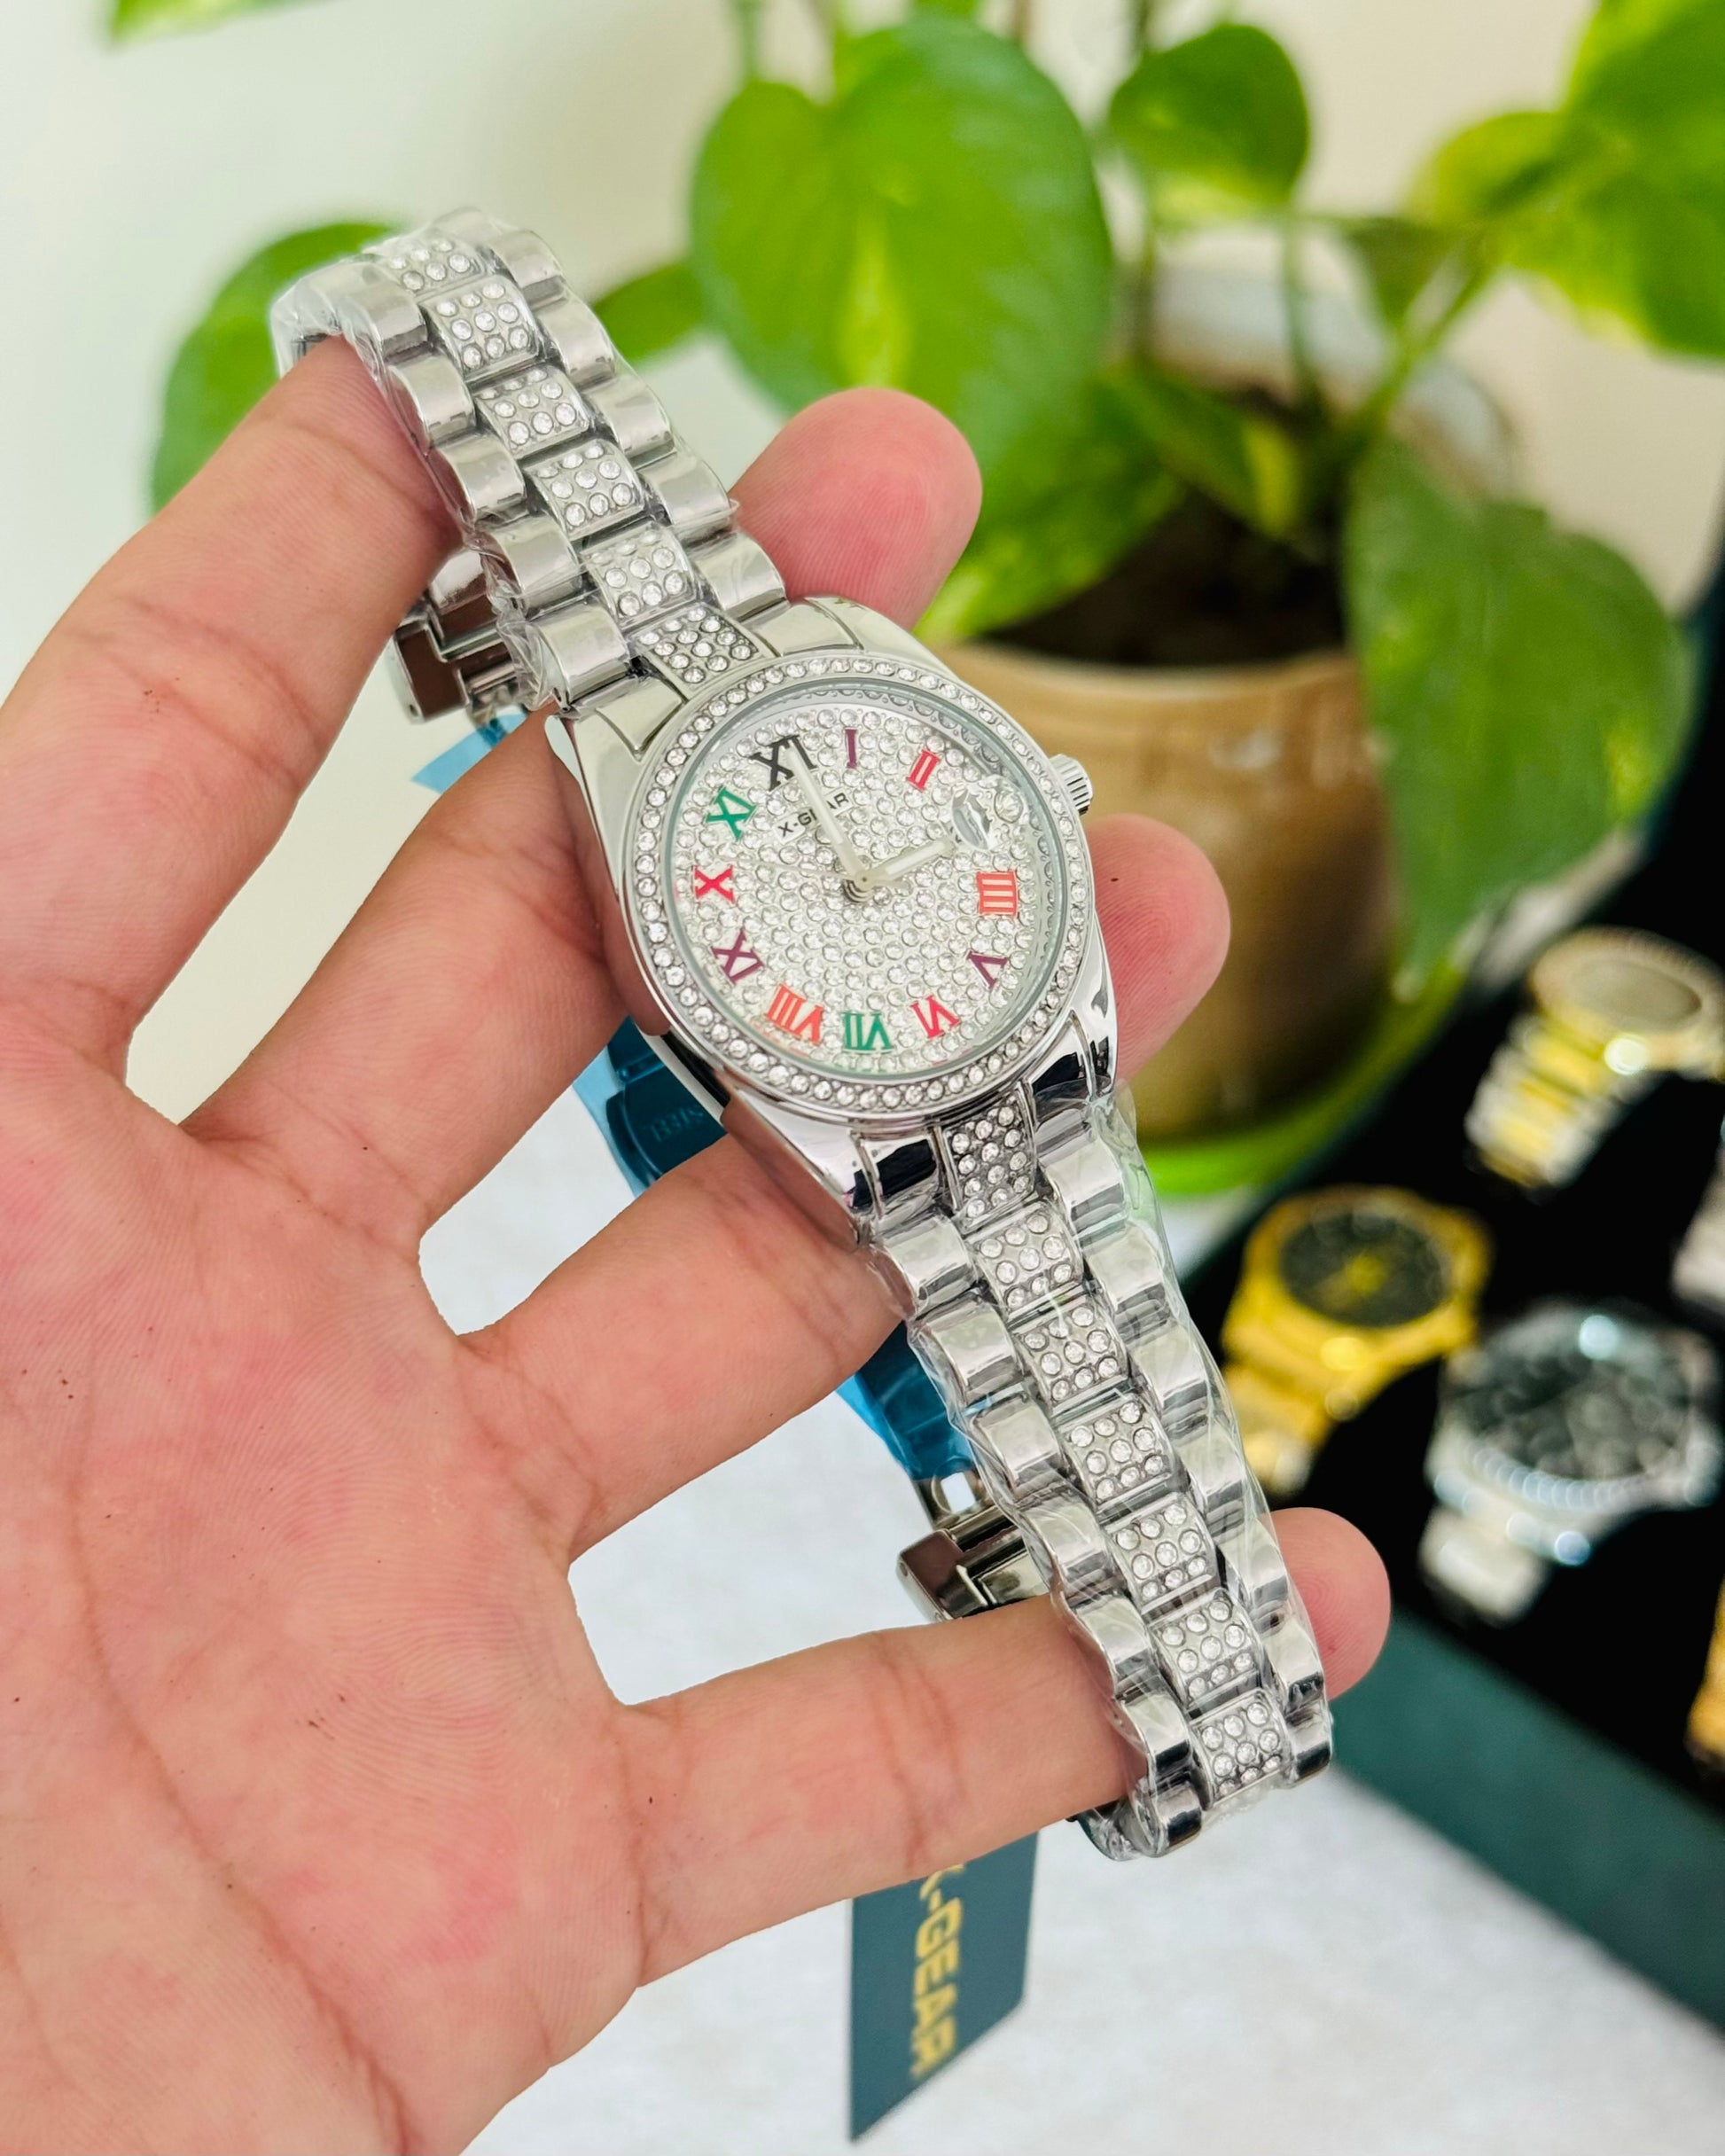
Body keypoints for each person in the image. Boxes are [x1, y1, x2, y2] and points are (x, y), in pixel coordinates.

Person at [0, 341, 1389, 2152]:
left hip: (1009, 1037)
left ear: (1019, 791)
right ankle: (1199, 1678)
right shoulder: (656, 894)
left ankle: (1202, 1670)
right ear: (673, 1001)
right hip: (861, 1085)